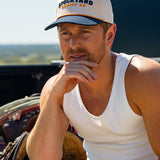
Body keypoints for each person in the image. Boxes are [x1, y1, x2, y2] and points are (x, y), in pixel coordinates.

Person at [26, 0, 160, 159]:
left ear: (109, 35)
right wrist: (52, 97)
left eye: (84, 32)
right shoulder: (55, 89)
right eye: (65, 33)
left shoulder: (145, 77)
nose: (74, 44)